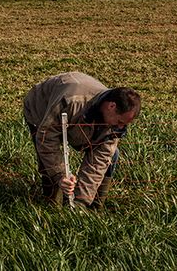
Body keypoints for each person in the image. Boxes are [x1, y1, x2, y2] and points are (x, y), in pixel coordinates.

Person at [23, 72, 140, 208]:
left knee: (112, 155)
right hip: (41, 110)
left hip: (80, 120)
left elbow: (99, 161)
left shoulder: (115, 125)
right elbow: (47, 139)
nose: (120, 127)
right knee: (48, 165)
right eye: (120, 121)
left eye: (124, 124)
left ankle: (94, 207)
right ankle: (51, 204)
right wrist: (60, 176)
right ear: (111, 106)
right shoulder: (71, 101)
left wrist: (81, 202)